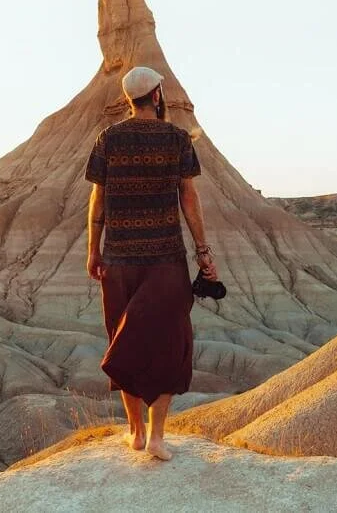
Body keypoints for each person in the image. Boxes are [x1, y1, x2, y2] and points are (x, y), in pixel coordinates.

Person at [84, 66, 218, 462]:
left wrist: (93, 250)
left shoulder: (108, 138)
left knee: (124, 340)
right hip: (166, 262)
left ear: (129, 99)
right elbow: (189, 199)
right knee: (169, 344)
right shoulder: (177, 139)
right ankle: (157, 436)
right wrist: (203, 251)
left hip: (119, 260)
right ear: (157, 96)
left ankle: (136, 432)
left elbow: (98, 200)